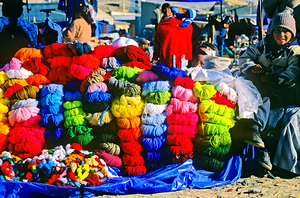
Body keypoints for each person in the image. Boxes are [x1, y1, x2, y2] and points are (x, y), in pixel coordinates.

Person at [238, 8, 300, 172]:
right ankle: (257, 140)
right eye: (278, 30)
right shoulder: (260, 48)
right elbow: (244, 59)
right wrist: (252, 69)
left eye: (286, 31)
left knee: (275, 109)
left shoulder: (294, 52)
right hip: (260, 91)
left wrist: (273, 78)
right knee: (248, 88)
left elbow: (292, 73)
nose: (281, 35)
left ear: (292, 34)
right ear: (271, 31)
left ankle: (262, 147)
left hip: (282, 92)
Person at [0, 0, 45, 67]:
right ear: (20, 10)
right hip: (25, 70)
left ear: (3, 9)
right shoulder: (32, 27)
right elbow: (42, 49)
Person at [153, 3, 193, 69]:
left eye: (168, 9)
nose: (167, 11)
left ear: (171, 10)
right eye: (165, 10)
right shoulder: (160, 24)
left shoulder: (175, 22)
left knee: (175, 69)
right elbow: (158, 38)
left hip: (174, 49)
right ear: (162, 11)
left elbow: (186, 28)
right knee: (165, 70)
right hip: (164, 51)